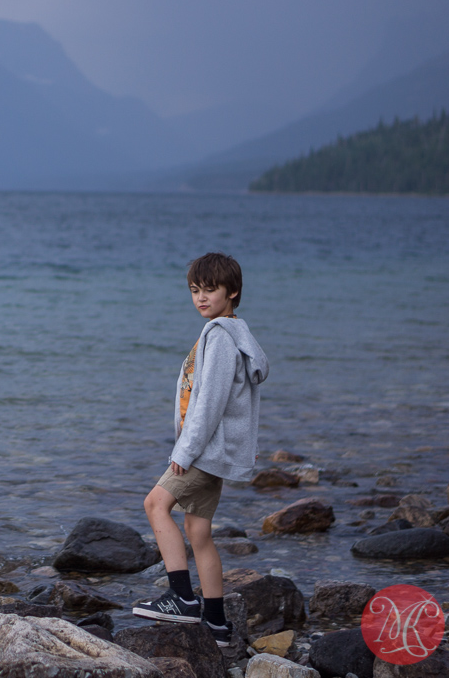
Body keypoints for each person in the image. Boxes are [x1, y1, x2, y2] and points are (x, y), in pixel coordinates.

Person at [132, 252, 269, 647]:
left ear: (233, 291)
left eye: (210, 289)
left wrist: (184, 452)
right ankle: (217, 624)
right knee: (198, 531)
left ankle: (181, 598)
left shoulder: (221, 337)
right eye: (195, 290)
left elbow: (209, 403)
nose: (201, 297)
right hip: (214, 451)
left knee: (155, 505)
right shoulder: (230, 332)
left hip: (204, 451)